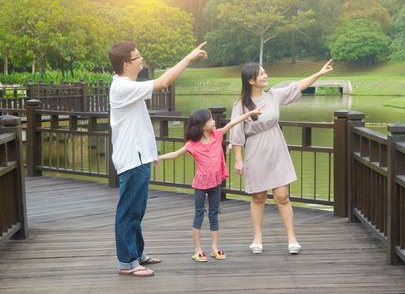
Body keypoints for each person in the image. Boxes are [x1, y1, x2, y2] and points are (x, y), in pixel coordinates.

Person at [108, 41, 207, 277]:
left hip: (139, 156)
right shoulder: (122, 87)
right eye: (137, 57)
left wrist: (150, 154)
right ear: (126, 64)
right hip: (131, 159)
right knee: (128, 211)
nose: (141, 59)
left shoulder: (126, 84)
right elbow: (163, 82)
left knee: (137, 209)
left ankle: (137, 254)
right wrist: (189, 58)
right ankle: (127, 262)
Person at [229, 60, 334, 255]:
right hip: (255, 150)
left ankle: (292, 238)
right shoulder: (241, 104)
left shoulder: (273, 96)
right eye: (261, 74)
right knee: (258, 197)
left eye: (265, 72)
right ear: (251, 80)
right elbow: (236, 133)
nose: (266, 75)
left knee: (282, 196)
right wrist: (238, 158)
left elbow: (297, 87)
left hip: (277, 148)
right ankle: (257, 238)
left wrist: (319, 73)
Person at [158, 106, 262, 262]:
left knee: (214, 213)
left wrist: (250, 113)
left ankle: (214, 247)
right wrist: (158, 158)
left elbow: (233, 122)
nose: (214, 121)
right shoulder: (192, 144)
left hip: (215, 182)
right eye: (210, 119)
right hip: (201, 184)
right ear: (201, 125)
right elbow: (175, 154)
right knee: (199, 214)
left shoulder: (217, 135)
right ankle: (198, 250)